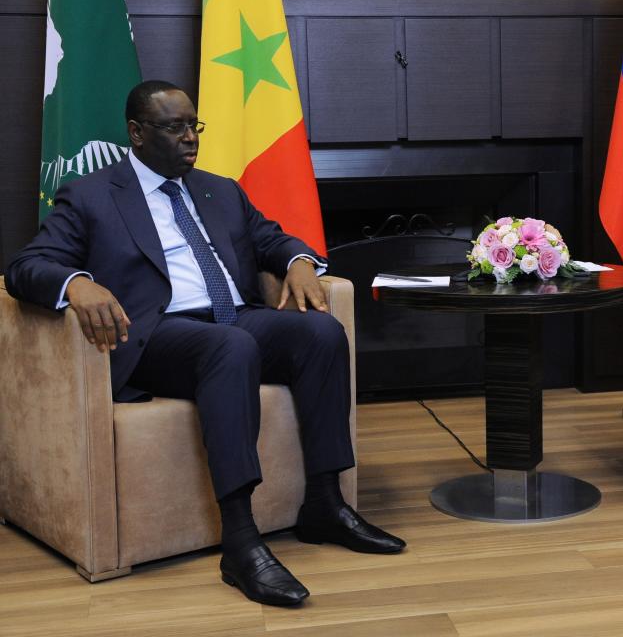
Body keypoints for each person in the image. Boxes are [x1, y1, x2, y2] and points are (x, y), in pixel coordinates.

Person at [6, 80, 406, 606]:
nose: (190, 138)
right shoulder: (93, 196)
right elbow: (25, 267)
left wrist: (299, 262)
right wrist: (76, 284)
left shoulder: (221, 189)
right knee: (229, 348)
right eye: (174, 128)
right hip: (155, 334)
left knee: (321, 332)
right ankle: (241, 542)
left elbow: (271, 239)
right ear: (136, 133)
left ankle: (325, 506)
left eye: (194, 126)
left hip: (232, 316)